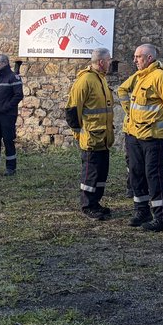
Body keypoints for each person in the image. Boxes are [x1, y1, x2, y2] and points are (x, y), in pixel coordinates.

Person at [116, 44, 163, 231]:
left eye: (138, 57)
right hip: (134, 135)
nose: (135, 60)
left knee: (154, 176)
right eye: (135, 56)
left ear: (149, 58)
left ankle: (162, 217)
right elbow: (122, 90)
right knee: (136, 173)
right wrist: (129, 113)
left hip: (153, 138)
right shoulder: (139, 76)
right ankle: (142, 211)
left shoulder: (162, 77)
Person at [66, 48, 115, 220]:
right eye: (109, 60)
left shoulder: (100, 79)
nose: (110, 63)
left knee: (101, 173)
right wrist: (78, 134)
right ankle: (87, 205)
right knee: (91, 173)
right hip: (91, 138)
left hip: (103, 138)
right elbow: (72, 110)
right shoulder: (85, 80)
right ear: (101, 62)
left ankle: (95, 203)